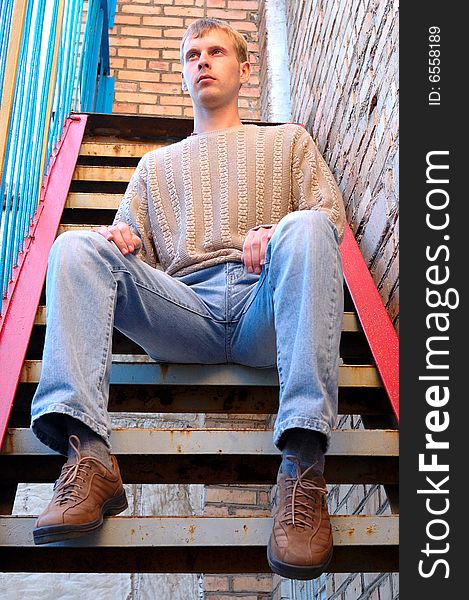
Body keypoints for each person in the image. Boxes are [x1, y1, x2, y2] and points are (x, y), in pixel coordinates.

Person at [31, 18, 346, 581]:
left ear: (245, 70)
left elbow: (330, 222)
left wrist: (279, 232)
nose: (203, 61)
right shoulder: (155, 168)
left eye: (217, 51)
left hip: (264, 308)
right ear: (181, 74)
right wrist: (119, 238)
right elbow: (127, 254)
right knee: (76, 248)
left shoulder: (289, 142)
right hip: (185, 311)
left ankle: (303, 467)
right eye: (192, 53)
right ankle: (87, 453)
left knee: (306, 226)